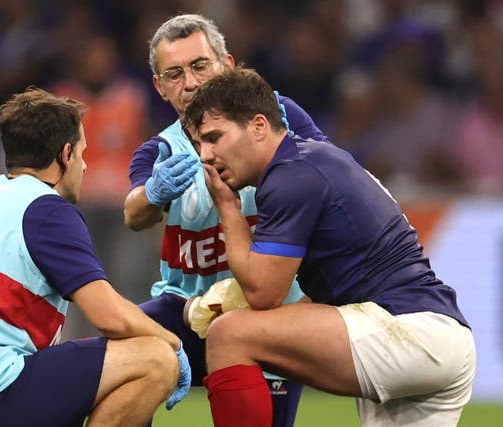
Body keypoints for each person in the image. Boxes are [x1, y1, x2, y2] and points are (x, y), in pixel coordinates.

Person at [182, 68, 477, 427]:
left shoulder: (290, 174)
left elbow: (263, 293)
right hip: (442, 340)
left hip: (408, 329)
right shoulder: (313, 160)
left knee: (231, 335)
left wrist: (227, 208)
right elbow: (326, 297)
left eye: (214, 137)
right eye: (199, 144)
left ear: (259, 126)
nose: (205, 155)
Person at [0, 87, 190, 427]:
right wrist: (173, 343)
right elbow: (109, 316)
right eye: (82, 153)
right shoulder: (45, 207)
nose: (86, 165)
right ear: (65, 155)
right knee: (155, 359)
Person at [123, 14, 328, 427]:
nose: (192, 83)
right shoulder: (159, 150)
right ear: (160, 87)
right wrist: (153, 193)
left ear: (228, 65)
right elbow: (133, 213)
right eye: (175, 74)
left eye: (201, 66)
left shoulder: (276, 116)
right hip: (185, 308)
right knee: (119, 357)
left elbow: (329, 175)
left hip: (268, 308)